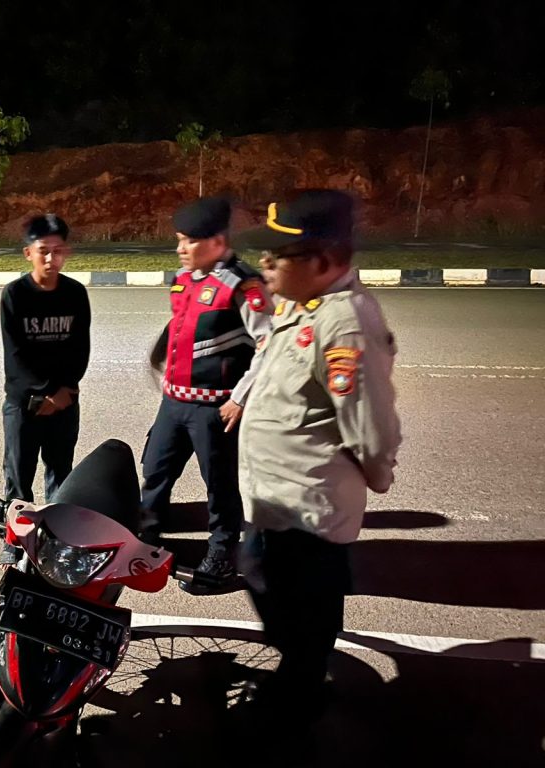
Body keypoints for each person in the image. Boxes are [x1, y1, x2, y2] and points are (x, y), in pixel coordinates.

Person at [237, 189, 402, 745]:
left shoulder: (345, 324)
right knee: (265, 579)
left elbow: (371, 424)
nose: (265, 262)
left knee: (305, 611)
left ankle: (297, 707)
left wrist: (376, 476)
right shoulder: (303, 304)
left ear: (325, 260)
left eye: (279, 255)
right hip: (279, 499)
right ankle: (299, 671)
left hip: (309, 507)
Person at [140, 197, 273, 594]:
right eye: (179, 240)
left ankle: (221, 555)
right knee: (155, 470)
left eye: (189, 241)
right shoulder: (184, 278)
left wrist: (241, 398)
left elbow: (270, 343)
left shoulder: (243, 285)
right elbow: (183, 324)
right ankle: (146, 539)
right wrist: (162, 356)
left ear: (216, 241)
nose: (180, 249)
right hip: (174, 402)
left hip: (214, 408)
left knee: (219, 485)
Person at [0, 214, 91, 504]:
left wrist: (65, 391)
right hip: (24, 405)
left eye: (58, 250)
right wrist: (45, 394)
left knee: (61, 475)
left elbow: (80, 349)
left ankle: (55, 527)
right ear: (28, 253)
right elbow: (15, 356)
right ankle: (17, 531)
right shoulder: (15, 295)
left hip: (64, 402)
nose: (51, 258)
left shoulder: (75, 293)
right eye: (43, 251)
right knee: (18, 479)